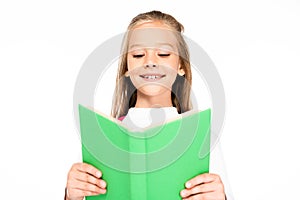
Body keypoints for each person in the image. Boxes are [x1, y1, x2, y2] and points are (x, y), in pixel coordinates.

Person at [66, 10, 233, 200]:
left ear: (181, 66)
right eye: (138, 54)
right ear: (127, 68)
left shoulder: (202, 137)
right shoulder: (100, 137)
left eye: (163, 53)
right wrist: (72, 196)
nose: (150, 62)